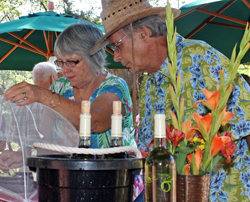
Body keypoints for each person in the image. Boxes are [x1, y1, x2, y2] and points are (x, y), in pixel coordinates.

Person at [90, 0, 250, 201]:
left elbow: (247, 121)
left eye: (117, 45)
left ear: (143, 33)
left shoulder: (200, 58)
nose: (116, 56)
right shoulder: (149, 82)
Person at [4, 22, 136, 149]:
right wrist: (25, 157)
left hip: (113, 171)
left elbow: (95, 121)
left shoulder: (115, 86)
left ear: (94, 57)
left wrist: (44, 96)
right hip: (66, 172)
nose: (64, 70)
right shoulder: (60, 87)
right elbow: (45, 141)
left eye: (71, 62)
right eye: (61, 62)